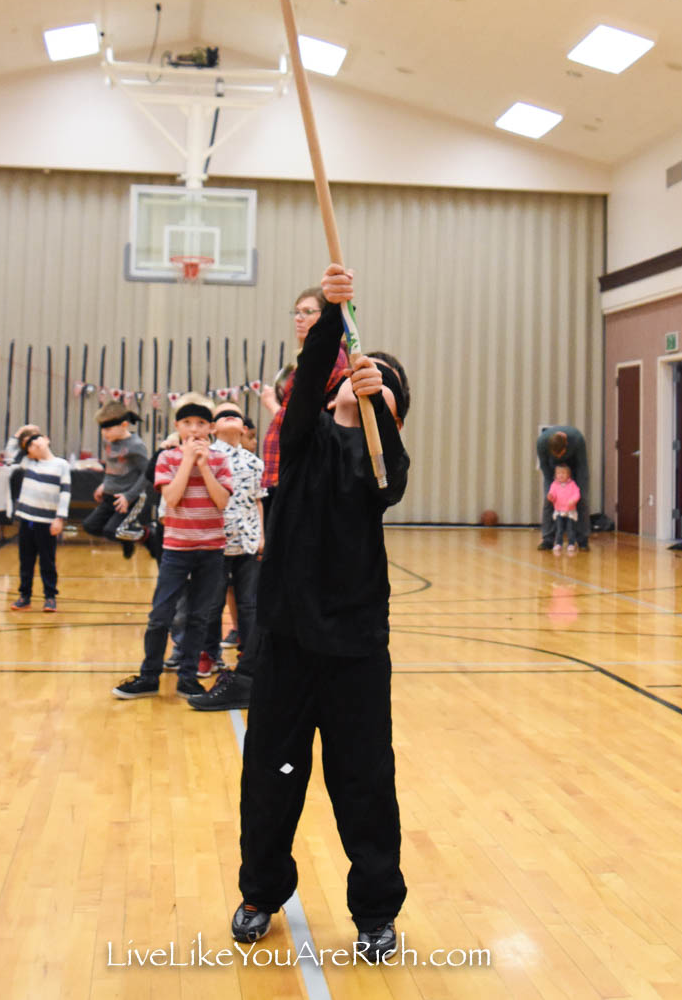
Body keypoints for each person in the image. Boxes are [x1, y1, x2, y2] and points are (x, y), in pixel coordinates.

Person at [230, 263, 410, 964]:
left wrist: (381, 402)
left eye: (383, 381)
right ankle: (260, 891)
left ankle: (375, 910)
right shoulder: (301, 441)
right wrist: (335, 313)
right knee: (273, 777)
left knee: (364, 782)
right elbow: (306, 384)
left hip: (357, 648)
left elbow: (390, 478)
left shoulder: (379, 459)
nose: (364, 379)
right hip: (286, 642)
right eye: (358, 373)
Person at [112, 394, 232, 700]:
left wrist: (204, 467)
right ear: (177, 426)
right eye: (187, 423)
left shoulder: (220, 460)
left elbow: (221, 501)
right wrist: (188, 461)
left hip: (211, 550)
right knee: (161, 614)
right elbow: (173, 497)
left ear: (210, 429)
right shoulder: (167, 458)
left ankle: (188, 677)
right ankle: (149, 676)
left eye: (201, 424)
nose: (194, 430)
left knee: (199, 617)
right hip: (177, 549)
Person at [259, 284, 349, 521]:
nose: (299, 318)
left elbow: (305, 420)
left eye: (308, 312)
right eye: (297, 312)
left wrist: (272, 406)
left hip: (299, 472)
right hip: (283, 469)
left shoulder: (332, 359)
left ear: (326, 317)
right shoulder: (306, 359)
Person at [198, 402, 264, 672]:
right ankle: (209, 654)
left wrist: (262, 536)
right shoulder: (207, 457)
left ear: (243, 427)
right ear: (213, 427)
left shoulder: (254, 463)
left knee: (248, 603)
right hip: (215, 542)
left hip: (247, 542)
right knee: (212, 604)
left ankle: (248, 655)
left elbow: (257, 502)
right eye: (222, 414)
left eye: (235, 414)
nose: (229, 416)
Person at [9, 431, 71, 612]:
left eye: (36, 439)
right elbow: (11, 452)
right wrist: (20, 432)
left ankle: (50, 596)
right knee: (26, 560)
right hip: (27, 520)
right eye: (29, 445)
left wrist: (60, 519)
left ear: (47, 440)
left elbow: (65, 493)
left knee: (47, 561)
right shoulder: (28, 462)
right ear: (28, 453)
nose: (34, 444)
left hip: (47, 522)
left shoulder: (61, 465)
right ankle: (24, 596)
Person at [82, 403, 149, 549]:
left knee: (111, 531)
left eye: (108, 429)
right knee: (90, 526)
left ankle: (147, 535)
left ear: (124, 425)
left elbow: (148, 474)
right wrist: (104, 485)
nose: (104, 433)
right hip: (110, 496)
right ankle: (126, 539)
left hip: (127, 497)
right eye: (102, 429)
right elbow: (112, 466)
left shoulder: (135, 445)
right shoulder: (110, 441)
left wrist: (128, 496)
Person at [536, 425, 590, 551]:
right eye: (556, 454)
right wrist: (553, 491)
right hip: (554, 469)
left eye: (560, 454)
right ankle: (548, 540)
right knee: (548, 499)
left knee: (582, 500)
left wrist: (578, 491)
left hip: (576, 467)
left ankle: (583, 541)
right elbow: (545, 467)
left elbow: (582, 467)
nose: (559, 457)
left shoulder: (577, 439)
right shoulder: (541, 443)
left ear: (566, 444)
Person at [547, 463, 580, 556]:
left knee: (570, 528)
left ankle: (571, 543)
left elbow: (577, 494)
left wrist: (573, 500)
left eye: (563, 473)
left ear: (568, 475)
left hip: (570, 511)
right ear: (555, 475)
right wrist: (550, 497)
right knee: (559, 528)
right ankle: (558, 543)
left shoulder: (572, 484)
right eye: (558, 473)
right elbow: (552, 495)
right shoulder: (554, 484)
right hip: (559, 511)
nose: (561, 475)